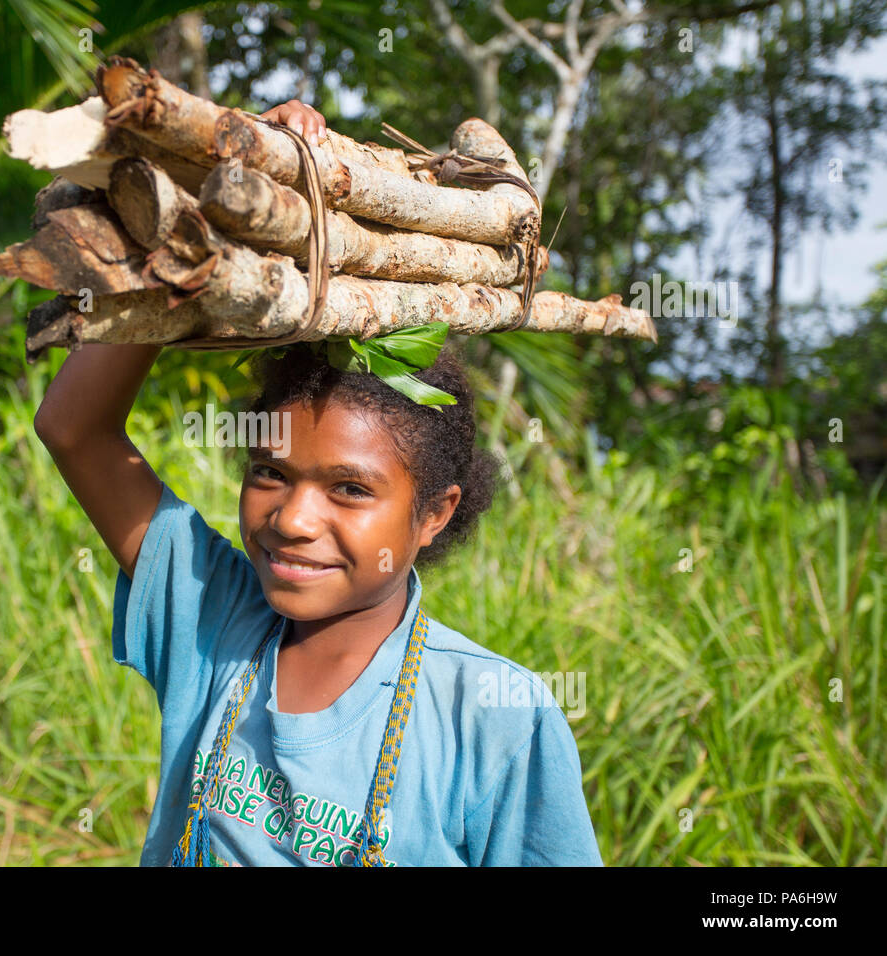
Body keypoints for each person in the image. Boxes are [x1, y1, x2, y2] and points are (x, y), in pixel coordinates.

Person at [33, 102, 603, 868]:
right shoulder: (216, 624)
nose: (293, 519)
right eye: (270, 473)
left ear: (434, 514)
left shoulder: (496, 718)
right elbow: (75, 429)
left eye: (350, 490)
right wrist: (213, 206)